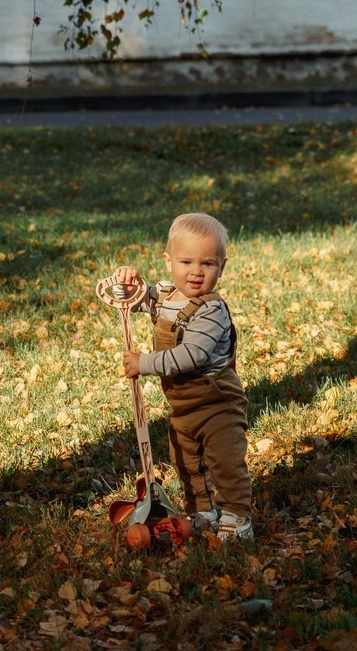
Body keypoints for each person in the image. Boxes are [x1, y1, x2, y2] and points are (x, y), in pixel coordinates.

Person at [111, 212, 253, 541]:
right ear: (169, 261)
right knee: (186, 461)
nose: (195, 272)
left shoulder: (211, 310)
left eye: (207, 264)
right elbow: (133, 299)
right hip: (183, 404)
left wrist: (144, 363)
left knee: (225, 461)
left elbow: (192, 356)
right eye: (186, 261)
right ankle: (202, 510)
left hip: (218, 404)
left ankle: (237, 515)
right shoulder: (164, 296)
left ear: (222, 267)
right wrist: (126, 283)